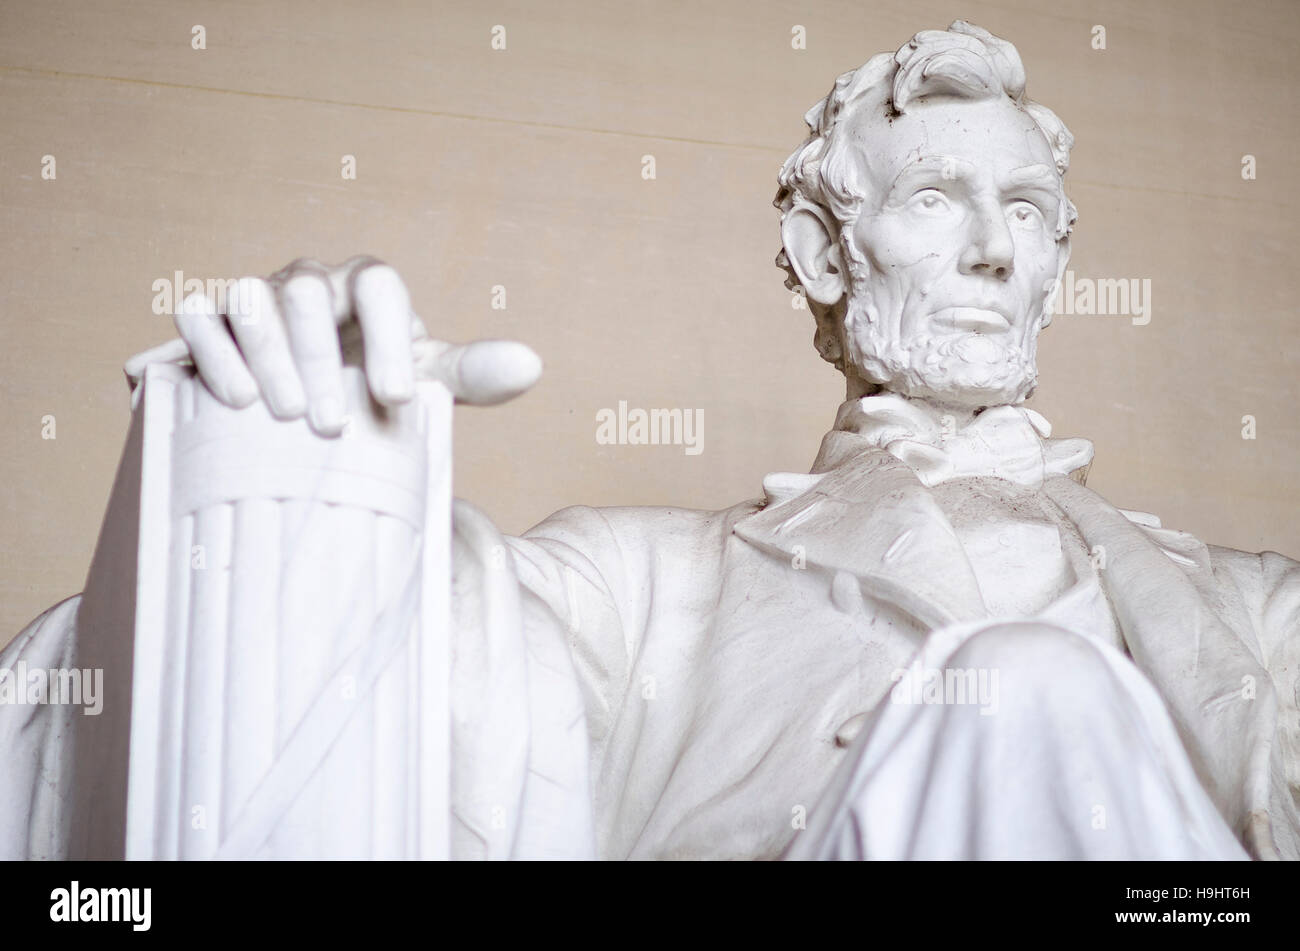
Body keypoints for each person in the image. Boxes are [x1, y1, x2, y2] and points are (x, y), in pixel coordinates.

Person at [3, 21, 1297, 860]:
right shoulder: (649, 586)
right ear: (821, 254)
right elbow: (362, 651)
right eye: (934, 200)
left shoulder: (1260, 611)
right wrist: (308, 418)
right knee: (1026, 689)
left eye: (1025, 209)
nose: (993, 249)